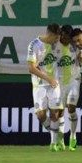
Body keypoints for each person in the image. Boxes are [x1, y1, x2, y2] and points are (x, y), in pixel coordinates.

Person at [27, 23, 64, 151]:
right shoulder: (34, 45)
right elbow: (31, 68)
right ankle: (57, 135)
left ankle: (53, 143)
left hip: (55, 84)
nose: (57, 40)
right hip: (39, 85)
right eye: (56, 38)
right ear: (50, 34)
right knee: (41, 115)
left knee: (55, 113)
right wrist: (48, 78)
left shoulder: (58, 44)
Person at [57, 25, 81, 151]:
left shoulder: (76, 45)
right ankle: (60, 139)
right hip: (59, 82)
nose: (65, 39)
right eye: (63, 36)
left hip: (74, 80)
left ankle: (73, 136)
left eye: (67, 37)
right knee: (60, 111)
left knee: (71, 108)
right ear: (60, 34)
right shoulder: (54, 46)